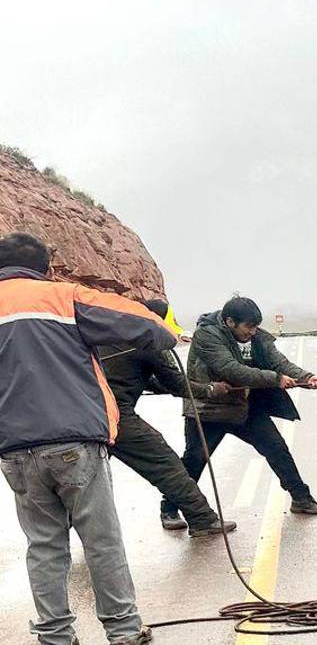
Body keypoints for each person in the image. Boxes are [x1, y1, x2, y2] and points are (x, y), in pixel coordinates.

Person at [0, 232, 175, 645]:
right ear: (44, 268)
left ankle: (55, 635)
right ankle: (125, 630)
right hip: (73, 442)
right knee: (101, 540)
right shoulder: (64, 297)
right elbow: (148, 325)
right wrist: (167, 336)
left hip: (14, 450)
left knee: (43, 545)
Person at [162, 297, 317, 523]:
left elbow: (279, 362)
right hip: (209, 409)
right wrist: (276, 379)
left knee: (276, 448)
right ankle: (169, 509)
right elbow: (230, 369)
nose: (253, 331)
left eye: (256, 326)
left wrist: (306, 377)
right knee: (195, 460)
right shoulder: (207, 336)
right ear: (230, 322)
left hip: (245, 407)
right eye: (249, 327)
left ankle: (301, 498)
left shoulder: (257, 337)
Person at [98, 298, 238, 537]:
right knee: (166, 465)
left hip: (81, 414)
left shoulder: (109, 331)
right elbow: (177, 383)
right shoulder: (148, 338)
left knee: (85, 481)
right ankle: (202, 518)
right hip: (115, 416)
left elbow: (131, 373)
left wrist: (155, 384)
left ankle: (64, 534)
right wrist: (210, 389)